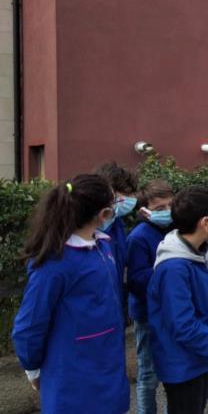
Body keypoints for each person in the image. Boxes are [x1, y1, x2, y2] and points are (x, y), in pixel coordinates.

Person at [12, 175, 130, 414]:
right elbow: (29, 324)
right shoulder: (56, 262)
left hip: (108, 367)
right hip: (72, 375)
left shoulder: (103, 245)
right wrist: (33, 368)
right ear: (104, 214)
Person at [147, 186, 208, 414]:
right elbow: (182, 324)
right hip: (181, 361)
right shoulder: (173, 268)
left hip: (203, 351)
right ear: (205, 222)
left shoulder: (205, 250)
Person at [126, 179, 175, 414]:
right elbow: (135, 280)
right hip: (147, 314)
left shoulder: (175, 231)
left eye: (169, 206)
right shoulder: (138, 237)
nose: (166, 212)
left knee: (172, 371)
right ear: (145, 211)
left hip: (172, 312)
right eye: (159, 209)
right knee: (148, 373)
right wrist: (165, 270)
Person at [94, 161, 139, 284]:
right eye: (126, 192)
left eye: (132, 193)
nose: (132, 198)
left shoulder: (117, 224)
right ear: (109, 192)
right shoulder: (85, 230)